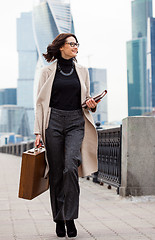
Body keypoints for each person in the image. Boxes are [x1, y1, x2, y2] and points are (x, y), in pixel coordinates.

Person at [34, 33, 98, 238]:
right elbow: (40, 103)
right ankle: (58, 219)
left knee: (70, 167)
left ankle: (69, 218)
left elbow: (86, 98)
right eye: (72, 44)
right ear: (61, 47)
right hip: (52, 122)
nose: (76, 47)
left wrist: (92, 104)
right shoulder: (47, 71)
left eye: (77, 44)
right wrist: (37, 131)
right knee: (56, 172)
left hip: (75, 122)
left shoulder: (82, 71)